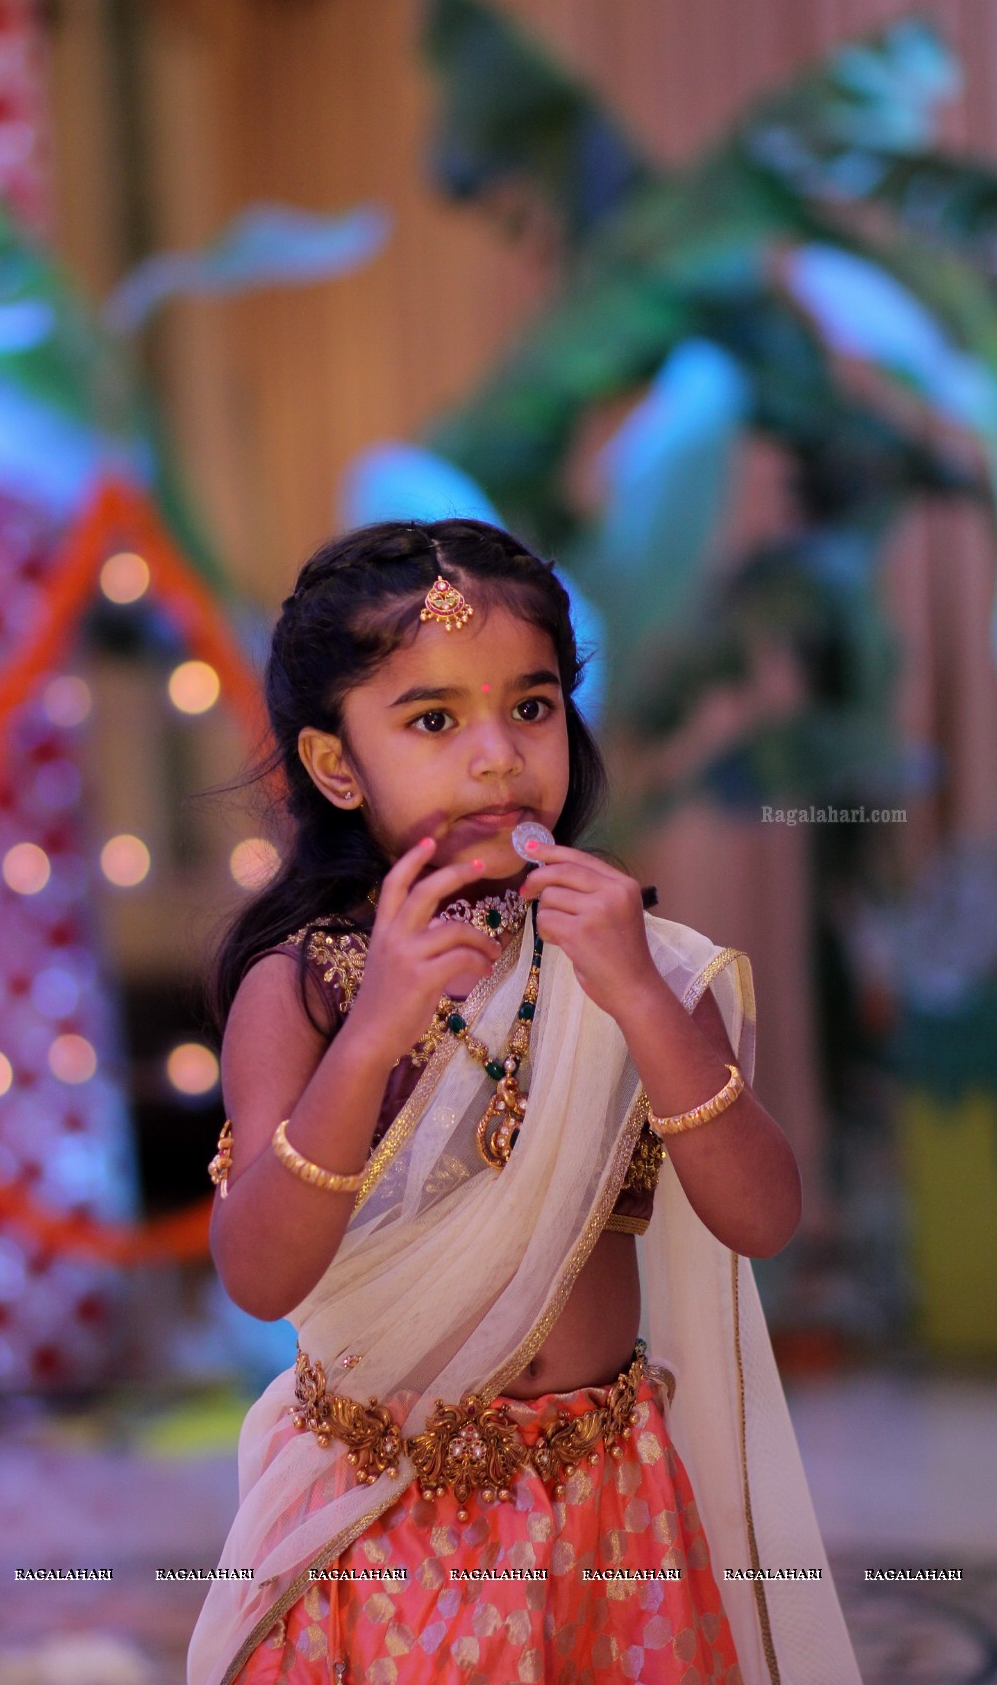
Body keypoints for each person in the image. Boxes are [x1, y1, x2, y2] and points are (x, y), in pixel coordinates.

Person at [188, 520, 861, 1685]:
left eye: (533, 708)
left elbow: (765, 1219)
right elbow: (258, 1272)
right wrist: (373, 1039)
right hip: (383, 1523)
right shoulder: (303, 984)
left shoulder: (634, 959)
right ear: (336, 763)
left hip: (613, 1510)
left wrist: (642, 1002)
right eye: (435, 720)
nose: (499, 756)